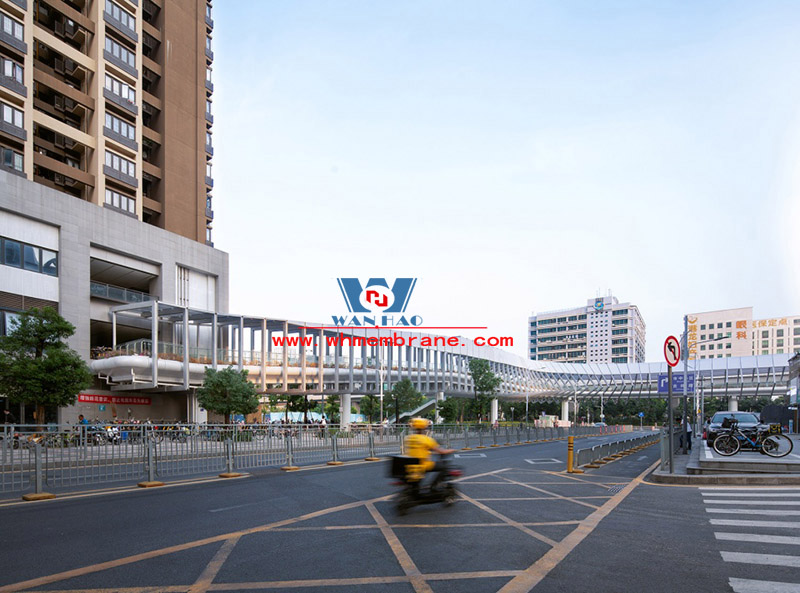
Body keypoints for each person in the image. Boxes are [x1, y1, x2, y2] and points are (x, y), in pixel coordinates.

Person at [405, 418, 454, 487]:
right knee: (443, 467)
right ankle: (434, 486)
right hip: (423, 465)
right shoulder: (426, 439)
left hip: (410, 465)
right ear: (424, 428)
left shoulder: (409, 438)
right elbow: (441, 451)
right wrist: (451, 450)